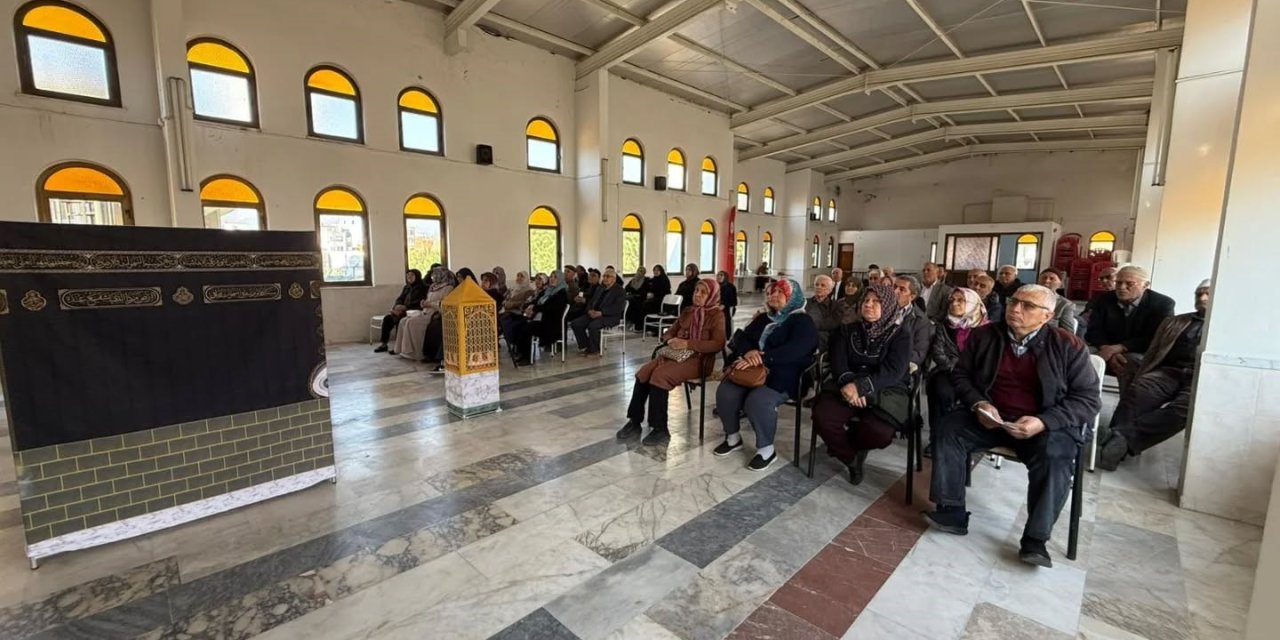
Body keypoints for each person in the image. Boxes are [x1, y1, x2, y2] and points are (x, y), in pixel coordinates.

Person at [922, 284, 1101, 568]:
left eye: (1028, 306)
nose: (1016, 309)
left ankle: (1035, 539)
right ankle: (951, 509)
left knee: (1055, 457)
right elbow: (961, 377)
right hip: (991, 416)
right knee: (948, 428)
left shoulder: (1068, 346)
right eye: (1013, 302)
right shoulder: (985, 336)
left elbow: (1087, 400)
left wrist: (1044, 421)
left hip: (1044, 425)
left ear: (1047, 315)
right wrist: (978, 403)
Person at [1097, 280, 1211, 471]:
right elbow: (1153, 350)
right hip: (1168, 372)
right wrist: (1143, 372)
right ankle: (1113, 445)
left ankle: (1121, 437)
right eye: (1198, 294)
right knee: (1139, 391)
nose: (1202, 298)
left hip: (1200, 378)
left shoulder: (1225, 329)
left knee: (1184, 408)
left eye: (1207, 294)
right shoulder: (1176, 322)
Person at [812, 283, 912, 484]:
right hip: (846, 386)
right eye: (866, 300)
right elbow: (839, 363)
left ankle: (852, 446)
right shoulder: (846, 331)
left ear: (889, 305)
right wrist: (851, 387)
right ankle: (851, 458)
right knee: (822, 416)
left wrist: (862, 387)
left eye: (876, 301)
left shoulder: (900, 335)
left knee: (880, 433)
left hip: (884, 390)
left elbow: (894, 371)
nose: (868, 305)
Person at [714, 278, 818, 471]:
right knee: (726, 392)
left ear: (792, 296)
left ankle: (766, 449)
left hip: (786, 375)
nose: (773, 296)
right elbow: (740, 338)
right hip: (753, 371)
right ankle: (733, 437)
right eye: (771, 292)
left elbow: (797, 350)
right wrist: (748, 353)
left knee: (758, 401)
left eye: (780, 292)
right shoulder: (764, 318)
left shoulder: (802, 321)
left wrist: (763, 357)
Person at [617, 278, 727, 446]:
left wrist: (688, 344)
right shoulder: (688, 311)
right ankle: (634, 421)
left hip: (698, 360)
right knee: (643, 373)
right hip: (674, 355)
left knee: (660, 376)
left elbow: (718, 344)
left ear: (712, 295)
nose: (697, 295)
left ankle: (660, 429)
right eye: (696, 291)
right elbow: (671, 331)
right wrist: (670, 339)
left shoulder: (716, 315)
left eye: (703, 292)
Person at [1084, 265, 1175, 383]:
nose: (1122, 287)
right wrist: (1107, 349)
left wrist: (1117, 348)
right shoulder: (1104, 299)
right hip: (1104, 346)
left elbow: (1156, 337)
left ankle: (1128, 401)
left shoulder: (1162, 304)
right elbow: (1093, 330)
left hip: (1140, 350)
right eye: (1118, 283)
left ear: (1145, 285)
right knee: (1079, 354)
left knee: (1130, 362)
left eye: (1129, 284)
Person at [925, 288, 990, 447]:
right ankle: (937, 438)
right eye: (952, 300)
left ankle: (968, 438)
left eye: (960, 300)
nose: (954, 304)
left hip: (976, 374)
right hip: (948, 371)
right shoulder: (944, 326)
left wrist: (968, 372)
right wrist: (956, 369)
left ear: (972, 303)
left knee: (980, 393)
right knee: (941, 391)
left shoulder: (987, 329)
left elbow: (987, 358)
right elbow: (938, 353)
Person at [395, 267, 455, 361]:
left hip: (434, 314)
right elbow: (428, 299)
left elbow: (443, 304)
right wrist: (424, 303)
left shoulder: (448, 288)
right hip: (425, 311)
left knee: (412, 323)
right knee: (403, 321)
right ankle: (403, 350)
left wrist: (430, 304)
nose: (433, 276)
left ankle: (417, 352)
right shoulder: (433, 286)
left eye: (436, 274)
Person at [513, 270, 570, 365]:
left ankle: (527, 357)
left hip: (550, 324)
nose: (552, 279)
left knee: (526, 329)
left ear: (560, 279)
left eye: (555, 277)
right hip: (541, 319)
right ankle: (521, 353)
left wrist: (534, 309)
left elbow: (550, 308)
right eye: (551, 276)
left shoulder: (561, 294)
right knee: (519, 325)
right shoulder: (547, 290)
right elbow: (536, 301)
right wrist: (530, 307)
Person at [570, 270, 625, 356]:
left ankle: (594, 350)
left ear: (614, 279)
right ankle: (585, 346)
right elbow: (591, 301)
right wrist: (589, 310)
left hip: (609, 316)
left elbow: (618, 308)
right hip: (594, 313)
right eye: (604, 276)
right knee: (576, 324)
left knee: (593, 326)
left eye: (608, 276)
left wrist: (601, 313)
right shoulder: (600, 288)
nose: (605, 278)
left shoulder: (619, 291)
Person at [374, 269, 427, 353]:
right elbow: (400, 298)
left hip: (414, 312)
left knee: (401, 321)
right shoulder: (407, 287)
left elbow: (419, 302)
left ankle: (399, 347)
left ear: (417, 276)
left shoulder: (423, 287)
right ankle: (383, 344)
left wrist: (405, 307)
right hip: (402, 311)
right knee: (387, 319)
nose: (409, 277)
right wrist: (397, 306)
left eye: (412, 275)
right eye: (407, 275)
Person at [892, 275, 931, 370]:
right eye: (894, 287)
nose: (895, 291)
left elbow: (918, 354)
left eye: (902, 289)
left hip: (899, 365)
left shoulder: (921, 321)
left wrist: (891, 355)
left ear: (912, 296)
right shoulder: (879, 310)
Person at [499, 271, 536, 348]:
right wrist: (507, 303)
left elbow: (524, 303)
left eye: (521, 276)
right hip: (508, 311)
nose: (519, 278)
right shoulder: (513, 289)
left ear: (526, 278)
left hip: (518, 313)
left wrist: (510, 304)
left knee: (506, 322)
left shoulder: (529, 290)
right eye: (518, 276)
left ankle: (513, 344)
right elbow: (505, 300)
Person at [1037, 268, 1079, 334]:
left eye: (1052, 279)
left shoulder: (1065, 305)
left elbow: (1068, 332)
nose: (1046, 281)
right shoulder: (1025, 297)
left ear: (1060, 284)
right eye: (1044, 278)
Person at [807, 275, 841, 351]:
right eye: (816, 285)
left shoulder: (835, 306)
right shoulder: (805, 303)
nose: (819, 287)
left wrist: (809, 324)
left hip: (823, 339)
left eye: (823, 285)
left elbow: (831, 323)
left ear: (829, 290)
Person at [624, 266, 650, 331]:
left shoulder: (646, 280)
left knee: (633, 303)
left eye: (641, 271)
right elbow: (626, 288)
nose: (639, 273)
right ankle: (626, 320)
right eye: (639, 271)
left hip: (640, 298)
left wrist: (633, 290)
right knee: (626, 300)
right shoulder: (633, 280)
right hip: (633, 296)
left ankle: (633, 323)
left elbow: (643, 292)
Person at [717, 270, 739, 334]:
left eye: (721, 275)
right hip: (717, 306)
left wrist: (724, 305)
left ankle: (727, 336)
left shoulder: (730, 287)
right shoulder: (716, 286)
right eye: (718, 275)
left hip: (728, 307)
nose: (719, 277)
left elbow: (733, 301)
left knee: (726, 321)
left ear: (725, 277)